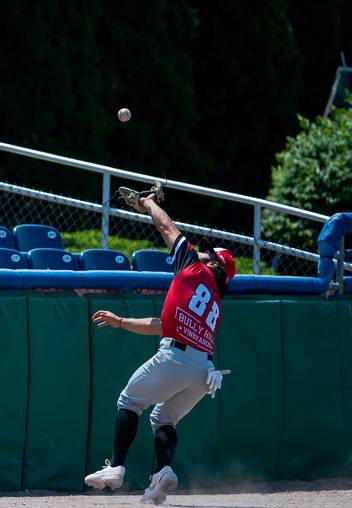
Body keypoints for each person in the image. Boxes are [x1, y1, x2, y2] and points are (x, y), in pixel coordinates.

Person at [84, 194, 236, 505]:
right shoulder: (215, 304)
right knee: (164, 419)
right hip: (203, 372)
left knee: (129, 401)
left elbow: (166, 226)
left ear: (214, 265)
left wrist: (148, 204)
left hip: (177, 357)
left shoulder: (194, 270)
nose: (204, 255)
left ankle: (116, 468)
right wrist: (122, 321)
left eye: (210, 256)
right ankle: (160, 477)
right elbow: (161, 325)